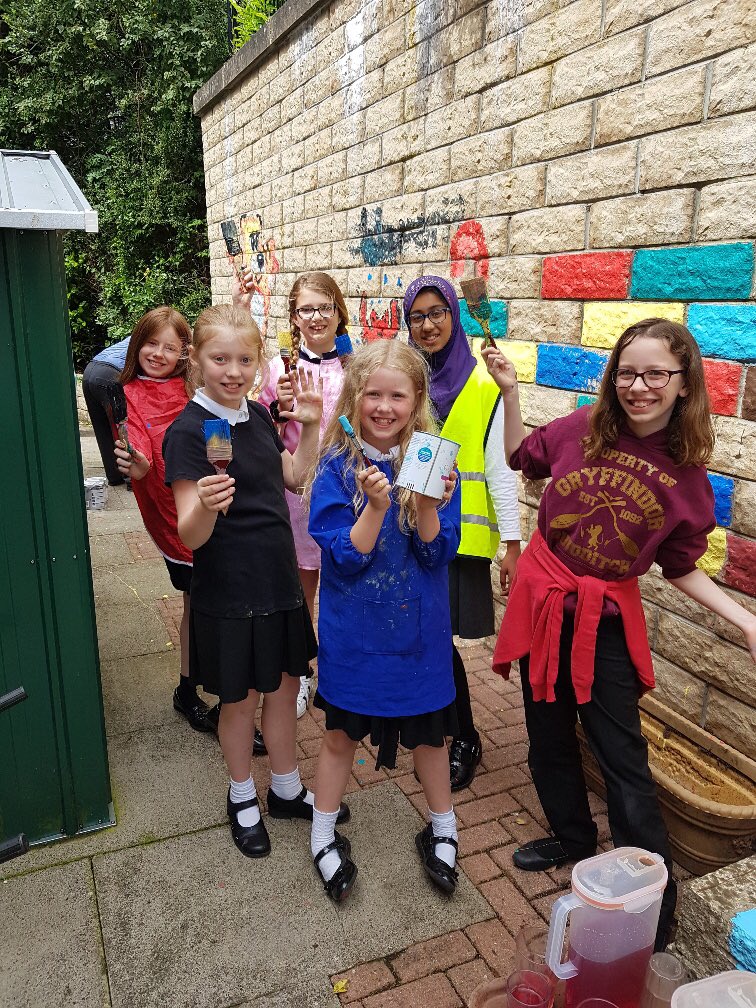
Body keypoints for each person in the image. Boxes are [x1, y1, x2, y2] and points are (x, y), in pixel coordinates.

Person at [482, 318, 756, 948]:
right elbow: (522, 454)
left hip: (603, 622)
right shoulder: (583, 428)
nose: (639, 386)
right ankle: (572, 838)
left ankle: (650, 900)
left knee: (623, 757)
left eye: (656, 373)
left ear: (683, 384)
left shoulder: (686, 478)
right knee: (546, 730)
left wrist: (743, 621)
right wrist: (510, 391)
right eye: (628, 372)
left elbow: (681, 567)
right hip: (546, 603)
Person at [163, 305, 348, 858]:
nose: (233, 370)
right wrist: (207, 507)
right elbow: (189, 535)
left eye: (245, 359)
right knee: (239, 701)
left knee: (285, 688)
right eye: (219, 358)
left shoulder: (261, 418)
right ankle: (242, 793)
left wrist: (311, 428)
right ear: (196, 361)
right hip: (228, 587)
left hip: (277, 577)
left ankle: (287, 787)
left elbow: (294, 478)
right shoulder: (189, 433)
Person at [306, 340, 461, 902]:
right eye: (373, 393)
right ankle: (323, 831)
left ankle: (444, 826)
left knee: (431, 738)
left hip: (419, 633)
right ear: (353, 398)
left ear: (417, 400)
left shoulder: (437, 461)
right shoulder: (336, 468)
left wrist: (425, 505)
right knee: (340, 735)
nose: (385, 406)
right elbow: (344, 558)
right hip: (355, 637)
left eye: (399, 395)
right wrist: (373, 507)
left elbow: (437, 553)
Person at [403, 276, 521, 791]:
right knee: (427, 638)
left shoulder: (482, 384)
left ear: (454, 314)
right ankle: (446, 728)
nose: (427, 325)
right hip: (410, 531)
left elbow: (499, 469)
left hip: (459, 541)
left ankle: (465, 736)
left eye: (437, 313)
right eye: (417, 316)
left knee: (436, 639)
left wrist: (512, 543)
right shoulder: (406, 379)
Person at [251, 271, 350, 719]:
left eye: (324, 306)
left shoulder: (355, 364)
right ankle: (302, 668)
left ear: (338, 312)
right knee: (302, 589)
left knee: (345, 585)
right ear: (294, 316)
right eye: (306, 308)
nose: (315, 317)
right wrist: (276, 407)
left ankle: (339, 670)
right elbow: (262, 432)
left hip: (348, 493)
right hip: (298, 495)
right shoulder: (280, 369)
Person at [82, 335, 131, 485]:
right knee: (123, 424)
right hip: (109, 375)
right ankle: (131, 477)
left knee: (102, 426)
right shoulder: (162, 342)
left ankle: (114, 476)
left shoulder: (146, 335)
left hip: (90, 370)